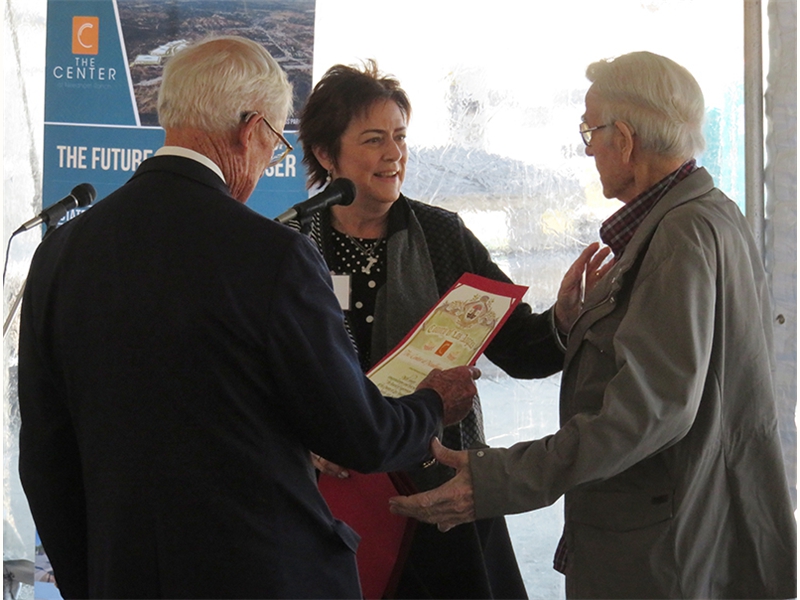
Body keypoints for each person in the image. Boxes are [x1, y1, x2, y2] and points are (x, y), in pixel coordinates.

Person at [17, 36, 483, 600]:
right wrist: (433, 404)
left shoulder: (60, 253)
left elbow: (44, 459)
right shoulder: (273, 255)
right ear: (251, 129)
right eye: (275, 145)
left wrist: (91, 582)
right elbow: (359, 436)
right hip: (264, 576)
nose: (267, 164)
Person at [389, 51, 797, 600]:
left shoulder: (680, 234)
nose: (587, 149)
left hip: (665, 550)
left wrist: (499, 479)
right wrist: (568, 321)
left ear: (624, 139)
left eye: (590, 130)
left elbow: (646, 413)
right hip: (680, 530)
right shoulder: (706, 213)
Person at [294, 60, 608, 599]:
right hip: (332, 503)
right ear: (326, 154)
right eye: (373, 139)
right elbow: (264, 379)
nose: (394, 154)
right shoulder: (294, 244)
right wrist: (304, 442)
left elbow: (520, 348)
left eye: (400, 136)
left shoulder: (442, 236)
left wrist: (563, 320)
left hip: (438, 494)